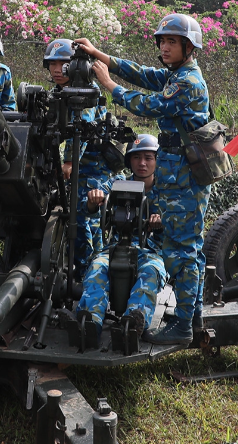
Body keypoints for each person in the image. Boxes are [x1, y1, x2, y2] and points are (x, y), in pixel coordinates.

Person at [75, 12, 211, 346]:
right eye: (162, 41)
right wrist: (99, 55)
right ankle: (192, 315)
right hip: (177, 173)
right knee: (184, 247)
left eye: (172, 42)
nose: (165, 47)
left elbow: (149, 105)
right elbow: (143, 73)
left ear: (189, 47)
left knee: (182, 251)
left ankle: (183, 326)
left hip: (185, 178)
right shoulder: (175, 73)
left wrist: (109, 85)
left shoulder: (188, 82)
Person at [72, 134, 166, 337]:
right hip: (114, 248)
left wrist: (161, 222)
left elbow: (177, 224)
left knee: (150, 272)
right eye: (136, 158)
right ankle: (89, 323)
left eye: (148, 158)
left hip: (150, 251)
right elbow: (90, 206)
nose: (142, 163)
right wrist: (92, 200)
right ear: (129, 161)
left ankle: (133, 323)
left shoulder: (166, 192)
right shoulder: (116, 184)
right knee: (97, 268)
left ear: (157, 161)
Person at [44, 38, 115, 272]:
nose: (57, 69)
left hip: (94, 170)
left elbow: (81, 131)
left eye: (63, 63)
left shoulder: (87, 93)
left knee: (82, 214)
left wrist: (68, 162)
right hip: (69, 169)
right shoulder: (56, 93)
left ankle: (89, 272)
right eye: (52, 64)